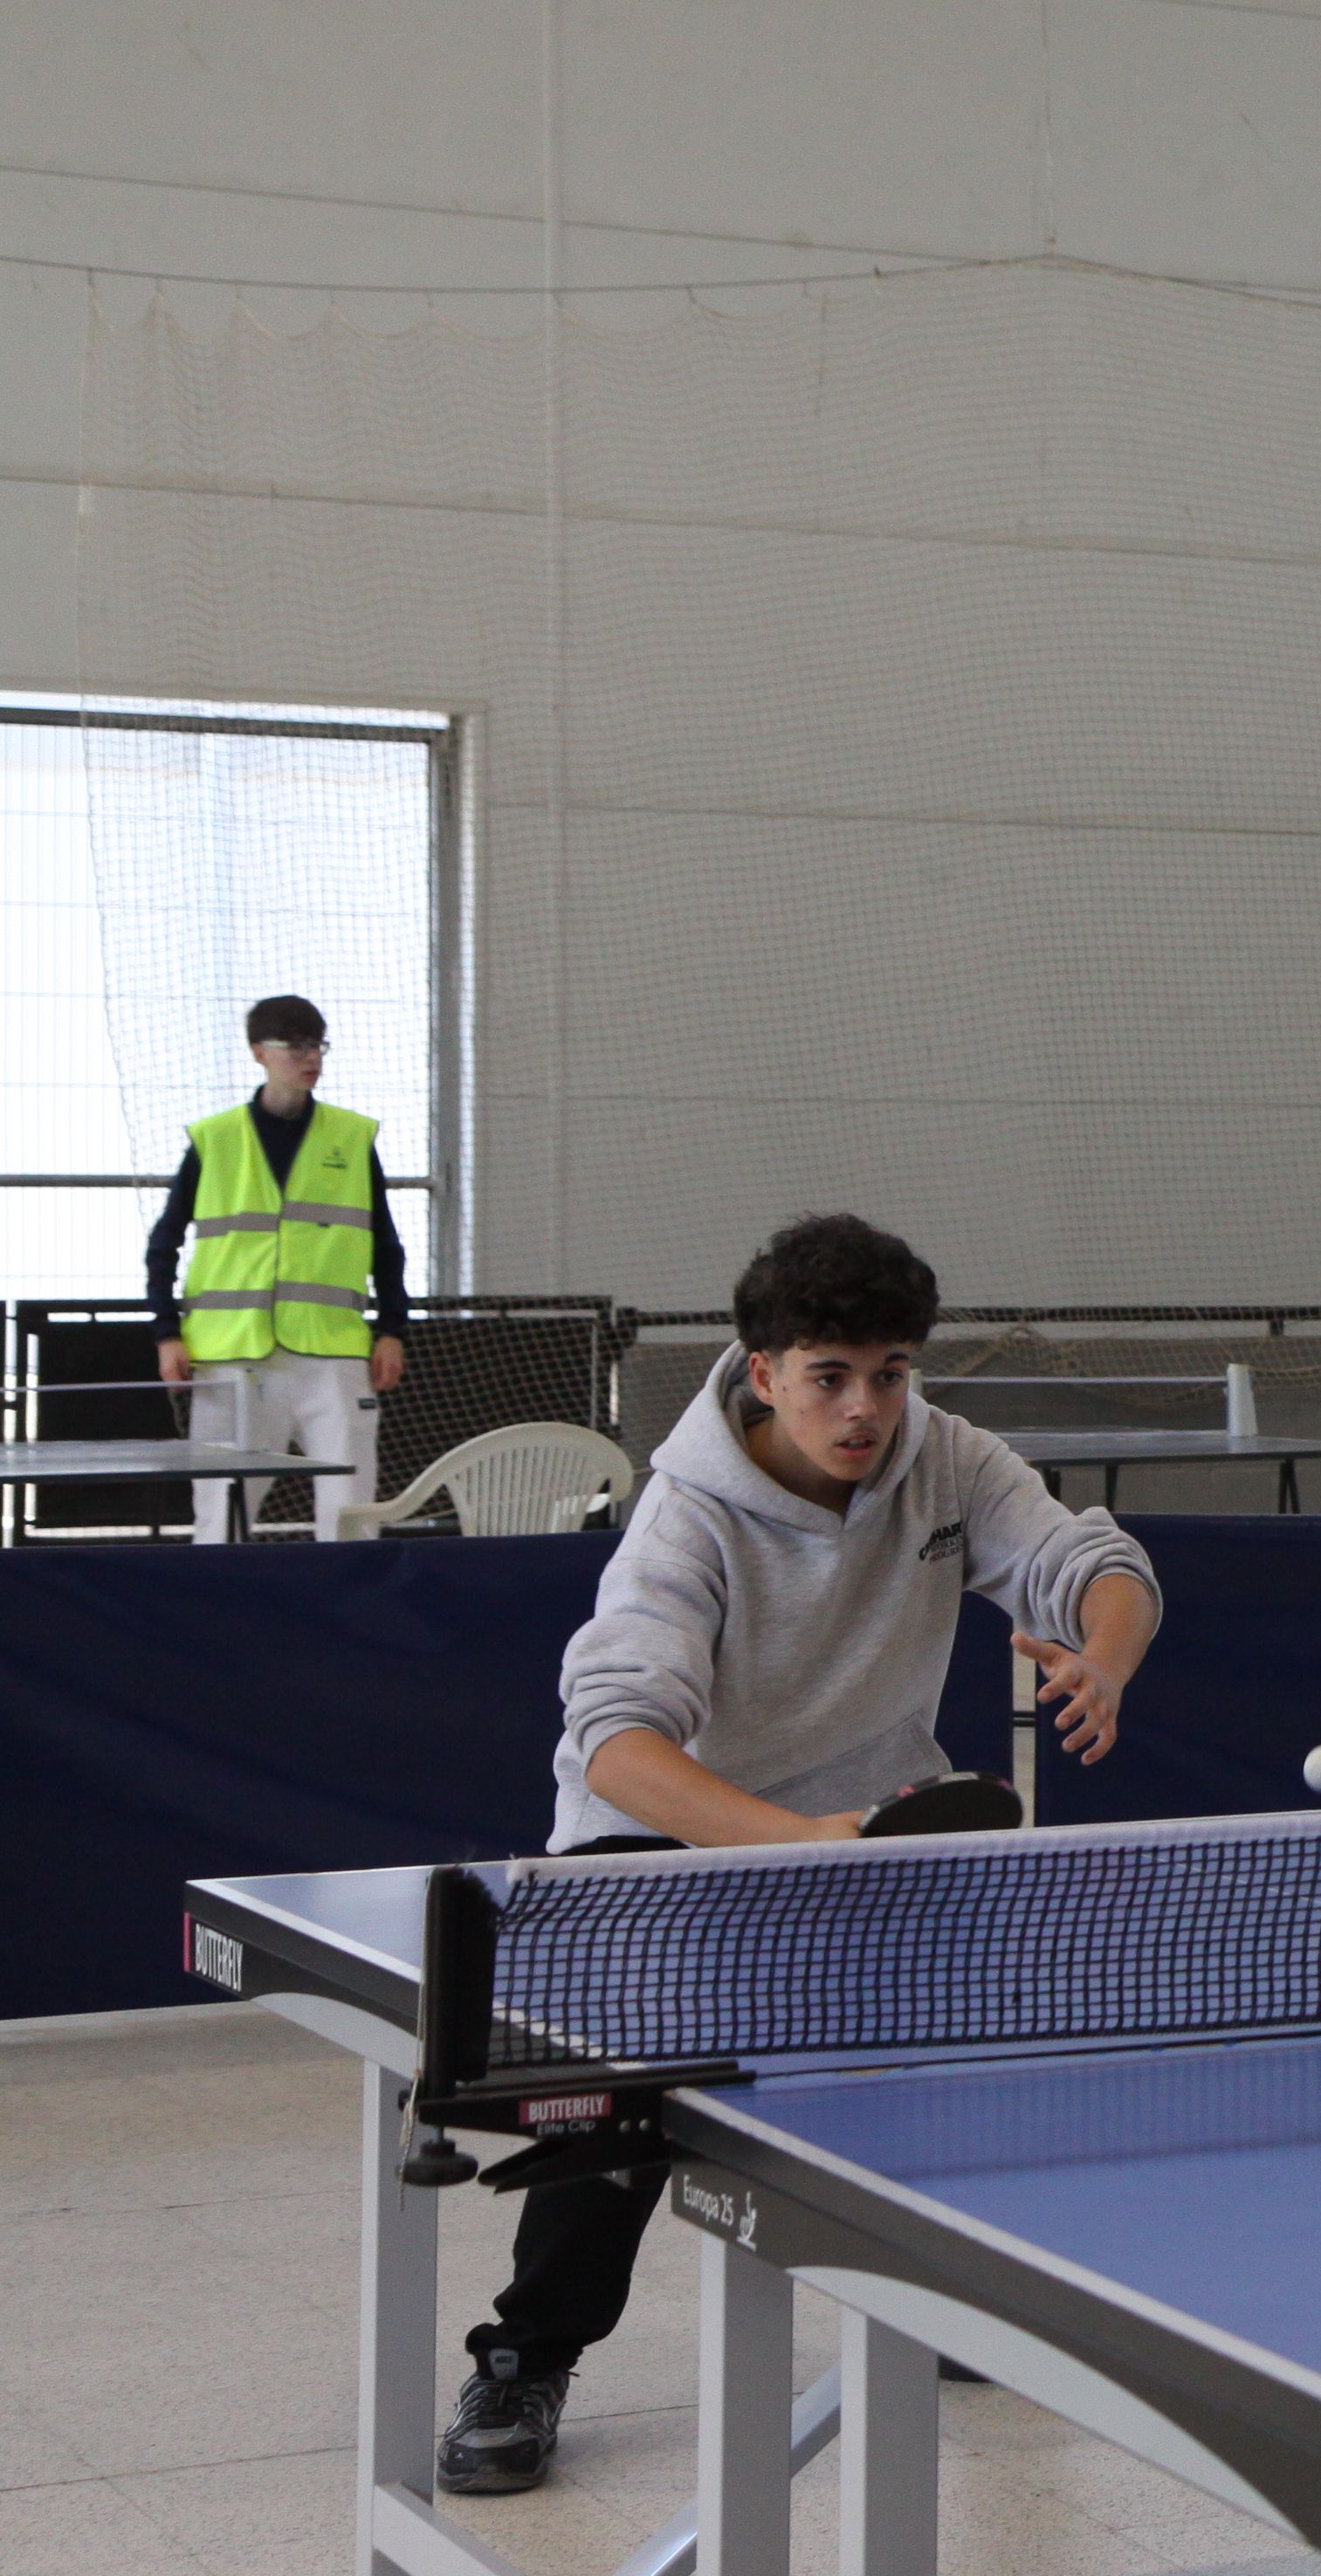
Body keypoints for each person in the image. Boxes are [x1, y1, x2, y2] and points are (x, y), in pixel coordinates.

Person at [436, 1212, 1159, 2495]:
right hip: (667, 1831)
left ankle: (945, 2291)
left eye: (890, 1372)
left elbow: (1090, 1560)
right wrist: (795, 1841)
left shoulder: (947, 1461)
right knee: (618, 2117)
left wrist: (1102, 1653)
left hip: (866, 1824)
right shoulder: (687, 1519)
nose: (866, 1407)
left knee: (979, 2043)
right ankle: (526, 2355)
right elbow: (615, 1744)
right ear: (763, 1370)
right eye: (831, 1375)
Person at [143, 993, 409, 1539]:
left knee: (350, 1510)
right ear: (258, 1052)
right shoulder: (214, 1140)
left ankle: (345, 1618)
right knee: (221, 1514)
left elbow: (386, 1246)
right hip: (231, 1355)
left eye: (317, 1045)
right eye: (295, 1046)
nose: (310, 1058)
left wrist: (392, 1331)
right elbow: (162, 1246)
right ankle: (216, 1618)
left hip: (332, 1353)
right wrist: (166, 1332)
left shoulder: (352, 1137)